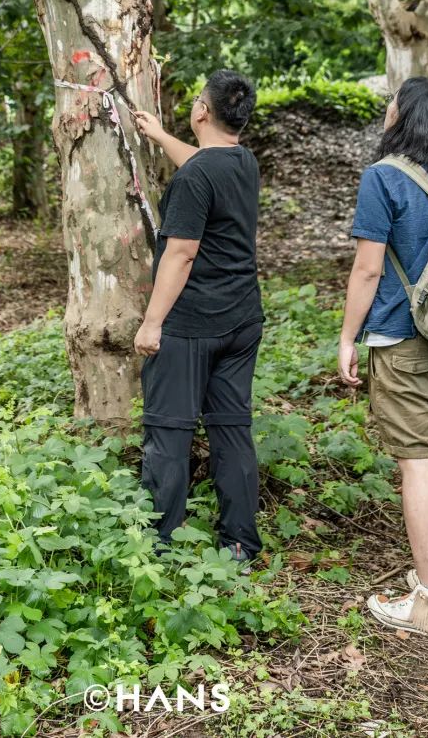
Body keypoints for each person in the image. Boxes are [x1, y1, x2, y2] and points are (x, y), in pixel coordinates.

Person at [339, 76, 428, 637]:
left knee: (418, 464)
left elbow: (368, 269)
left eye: (392, 101)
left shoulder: (384, 178)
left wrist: (348, 337)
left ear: (404, 114)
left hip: (405, 342)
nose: (386, 107)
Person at [133, 69, 264, 563]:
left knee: (169, 432)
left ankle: (159, 550)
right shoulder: (242, 162)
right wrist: (161, 135)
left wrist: (152, 322)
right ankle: (239, 545)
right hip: (242, 319)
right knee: (231, 429)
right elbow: (203, 166)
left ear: (203, 112)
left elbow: (181, 252)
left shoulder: (193, 178)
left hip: (190, 324)